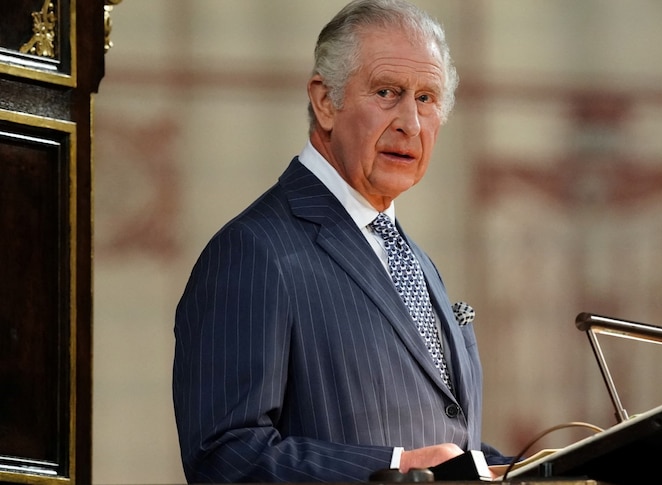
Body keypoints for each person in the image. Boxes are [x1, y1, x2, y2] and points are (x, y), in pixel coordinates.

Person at [172, 0, 508, 482]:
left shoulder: (412, 257)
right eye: (388, 92)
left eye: (427, 99)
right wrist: (393, 469)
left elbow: (443, 439)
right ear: (325, 101)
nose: (410, 123)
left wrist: (541, 467)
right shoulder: (255, 252)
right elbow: (224, 455)